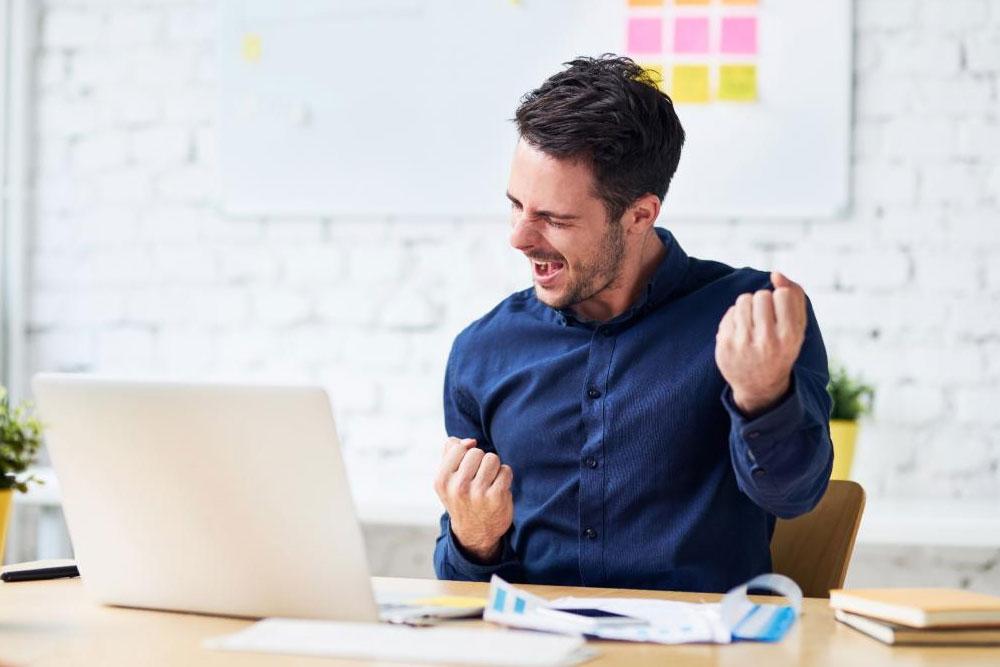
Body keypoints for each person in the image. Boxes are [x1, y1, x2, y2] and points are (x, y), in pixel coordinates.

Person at [433, 55, 833, 593]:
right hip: (535, 636)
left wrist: (763, 395)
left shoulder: (752, 319)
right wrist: (474, 539)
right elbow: (460, 588)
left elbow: (795, 496)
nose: (520, 238)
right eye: (516, 206)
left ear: (640, 215)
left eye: (553, 218)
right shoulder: (483, 351)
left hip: (702, 636)